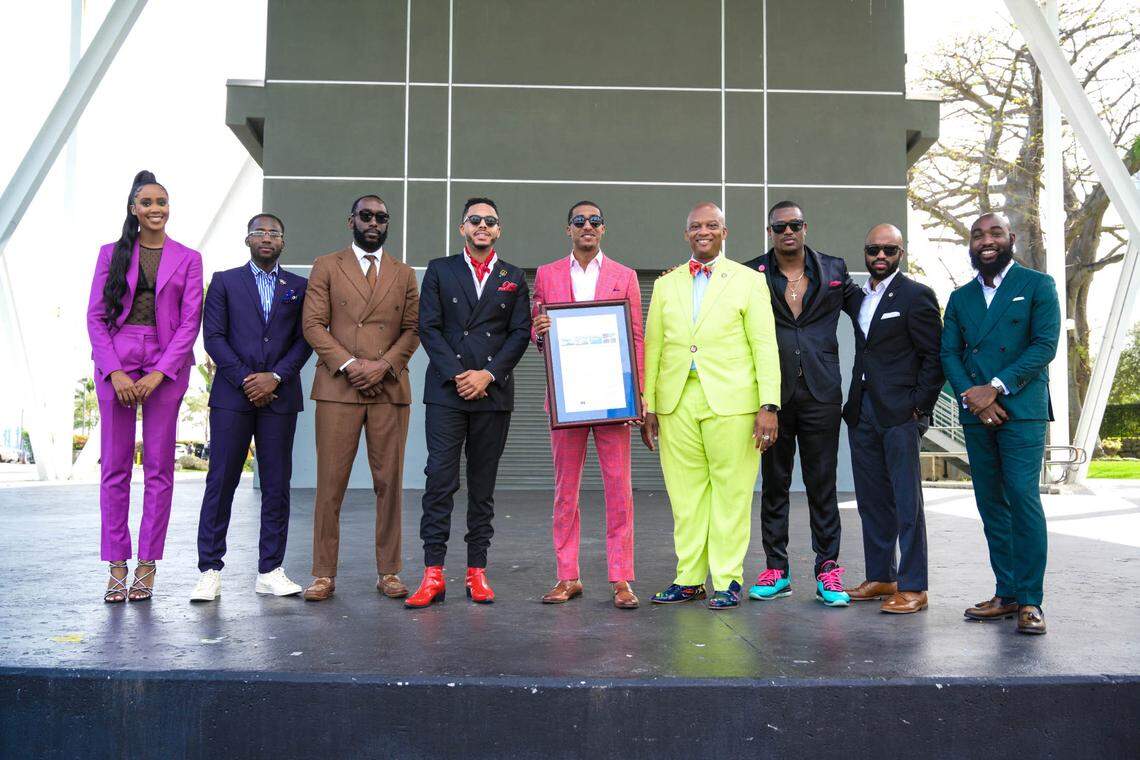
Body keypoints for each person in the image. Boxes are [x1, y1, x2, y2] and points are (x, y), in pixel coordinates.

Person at [642, 202, 780, 609]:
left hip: (734, 401)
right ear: (686, 234)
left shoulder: (748, 281)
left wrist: (768, 404)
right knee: (685, 495)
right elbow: (654, 346)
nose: (703, 231)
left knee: (731, 493)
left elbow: (764, 345)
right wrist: (649, 404)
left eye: (712, 225)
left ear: (725, 232)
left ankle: (727, 579)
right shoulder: (667, 284)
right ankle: (688, 579)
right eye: (695, 226)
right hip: (675, 400)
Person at [407, 197, 531, 608]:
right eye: (475, 220)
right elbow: (429, 327)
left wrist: (487, 375)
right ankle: (433, 573)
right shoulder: (441, 269)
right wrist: (460, 375)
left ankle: (477, 572)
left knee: (483, 487)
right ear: (463, 227)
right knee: (439, 480)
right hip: (447, 390)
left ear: (499, 230)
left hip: (492, 394)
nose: (482, 226)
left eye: (490, 221)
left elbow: (519, 333)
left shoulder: (513, 275)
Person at [86, 170, 203, 602]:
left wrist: (159, 373)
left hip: (165, 363)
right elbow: (96, 317)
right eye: (148, 203)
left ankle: (148, 563)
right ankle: (117, 563)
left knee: (159, 469)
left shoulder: (189, 258)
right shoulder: (110, 254)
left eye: (162, 202)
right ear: (134, 209)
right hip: (116, 358)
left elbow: (191, 322)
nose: (157, 209)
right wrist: (114, 370)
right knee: (114, 467)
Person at [941, 212, 1060, 635]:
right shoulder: (959, 297)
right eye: (977, 235)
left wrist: (995, 386)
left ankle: (1031, 601)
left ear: (1010, 238)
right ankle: (1006, 592)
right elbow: (949, 354)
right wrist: (973, 398)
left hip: (1021, 409)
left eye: (994, 233)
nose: (985, 241)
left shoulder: (1037, 285)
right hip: (978, 412)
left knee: (1022, 498)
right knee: (991, 502)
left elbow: (1045, 344)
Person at [300, 195, 421, 601]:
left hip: (388, 389)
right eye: (366, 216)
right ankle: (322, 573)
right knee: (330, 484)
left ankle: (389, 571)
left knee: (390, 484)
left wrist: (382, 366)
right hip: (338, 387)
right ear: (350, 219)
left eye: (381, 218)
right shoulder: (327, 265)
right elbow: (313, 325)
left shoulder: (403, 274)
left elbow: (413, 328)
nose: (374, 223)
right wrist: (352, 365)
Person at [743, 200, 861, 607]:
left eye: (794, 225)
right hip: (771, 397)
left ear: (805, 227)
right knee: (774, 483)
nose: (787, 232)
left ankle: (828, 569)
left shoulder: (833, 269)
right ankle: (777, 568)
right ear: (770, 232)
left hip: (821, 392)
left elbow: (868, 311)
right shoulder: (750, 273)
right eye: (779, 227)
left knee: (821, 484)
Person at [190, 213, 313, 602]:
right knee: (221, 480)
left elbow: (304, 340)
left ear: (283, 242)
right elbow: (214, 337)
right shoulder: (225, 281)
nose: (266, 237)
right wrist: (248, 378)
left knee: (277, 485)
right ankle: (209, 570)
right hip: (232, 396)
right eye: (258, 231)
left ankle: (270, 570)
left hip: (279, 397)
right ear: (247, 239)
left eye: (274, 233)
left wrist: (274, 377)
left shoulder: (298, 286)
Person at [531, 201, 645, 609]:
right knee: (566, 492)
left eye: (595, 221)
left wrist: (637, 395)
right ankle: (568, 575)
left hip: (613, 400)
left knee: (619, 491)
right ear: (568, 229)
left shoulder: (625, 276)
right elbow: (537, 330)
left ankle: (621, 579)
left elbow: (635, 338)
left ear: (604, 229)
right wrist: (539, 330)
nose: (587, 226)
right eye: (579, 221)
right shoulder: (546, 275)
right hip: (567, 401)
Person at [841, 224, 943, 614]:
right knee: (871, 499)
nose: (880, 256)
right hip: (862, 410)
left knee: (906, 502)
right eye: (873, 250)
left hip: (900, 413)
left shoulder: (917, 296)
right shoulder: (860, 296)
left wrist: (918, 407)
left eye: (888, 250)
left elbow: (934, 357)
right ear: (865, 253)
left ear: (901, 253)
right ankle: (883, 575)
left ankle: (915, 585)